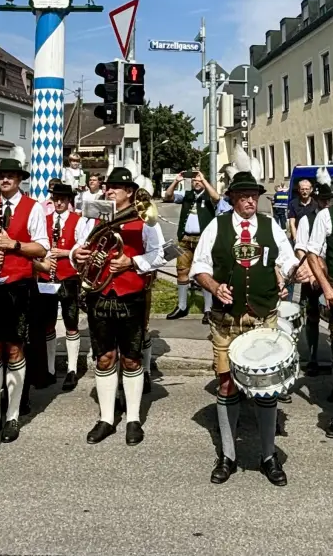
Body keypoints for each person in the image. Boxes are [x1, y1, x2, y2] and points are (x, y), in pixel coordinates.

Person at [190, 156, 296, 485]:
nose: (251, 201)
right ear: (233, 198)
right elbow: (199, 267)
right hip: (227, 320)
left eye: (254, 196)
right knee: (226, 384)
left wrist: (288, 273)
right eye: (245, 196)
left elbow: (288, 258)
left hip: (263, 316)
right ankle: (227, 455)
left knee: (266, 388)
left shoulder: (269, 225)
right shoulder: (217, 226)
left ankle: (268, 455)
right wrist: (214, 286)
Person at [74, 168, 163, 446]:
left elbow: (159, 254)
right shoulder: (94, 217)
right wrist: (78, 253)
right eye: (108, 186)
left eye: (116, 187)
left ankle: (133, 419)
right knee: (104, 357)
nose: (109, 190)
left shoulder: (145, 219)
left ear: (129, 192)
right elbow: (79, 246)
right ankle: (106, 418)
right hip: (99, 294)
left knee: (131, 359)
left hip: (130, 294)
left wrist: (131, 262)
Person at [0, 157, 50, 443]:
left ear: (19, 180)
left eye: (10, 176)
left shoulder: (33, 207)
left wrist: (14, 245)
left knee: (15, 348)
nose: (5, 180)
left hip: (19, 287)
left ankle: (12, 415)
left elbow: (42, 248)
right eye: (2, 176)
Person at [44, 181, 92, 390]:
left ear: (69, 201)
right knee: (47, 323)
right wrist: (47, 255)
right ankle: (49, 369)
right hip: (46, 277)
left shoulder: (77, 220)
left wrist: (64, 252)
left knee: (71, 321)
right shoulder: (44, 219)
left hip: (69, 276)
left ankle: (72, 369)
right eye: (55, 199)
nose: (58, 203)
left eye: (62, 199)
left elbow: (82, 245)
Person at [164, 169, 218, 320]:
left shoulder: (208, 196)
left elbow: (217, 197)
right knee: (182, 271)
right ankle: (182, 306)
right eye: (194, 180)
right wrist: (176, 181)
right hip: (185, 239)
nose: (197, 182)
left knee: (205, 272)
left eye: (199, 180)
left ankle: (208, 309)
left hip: (203, 240)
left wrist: (204, 180)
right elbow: (168, 196)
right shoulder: (187, 195)